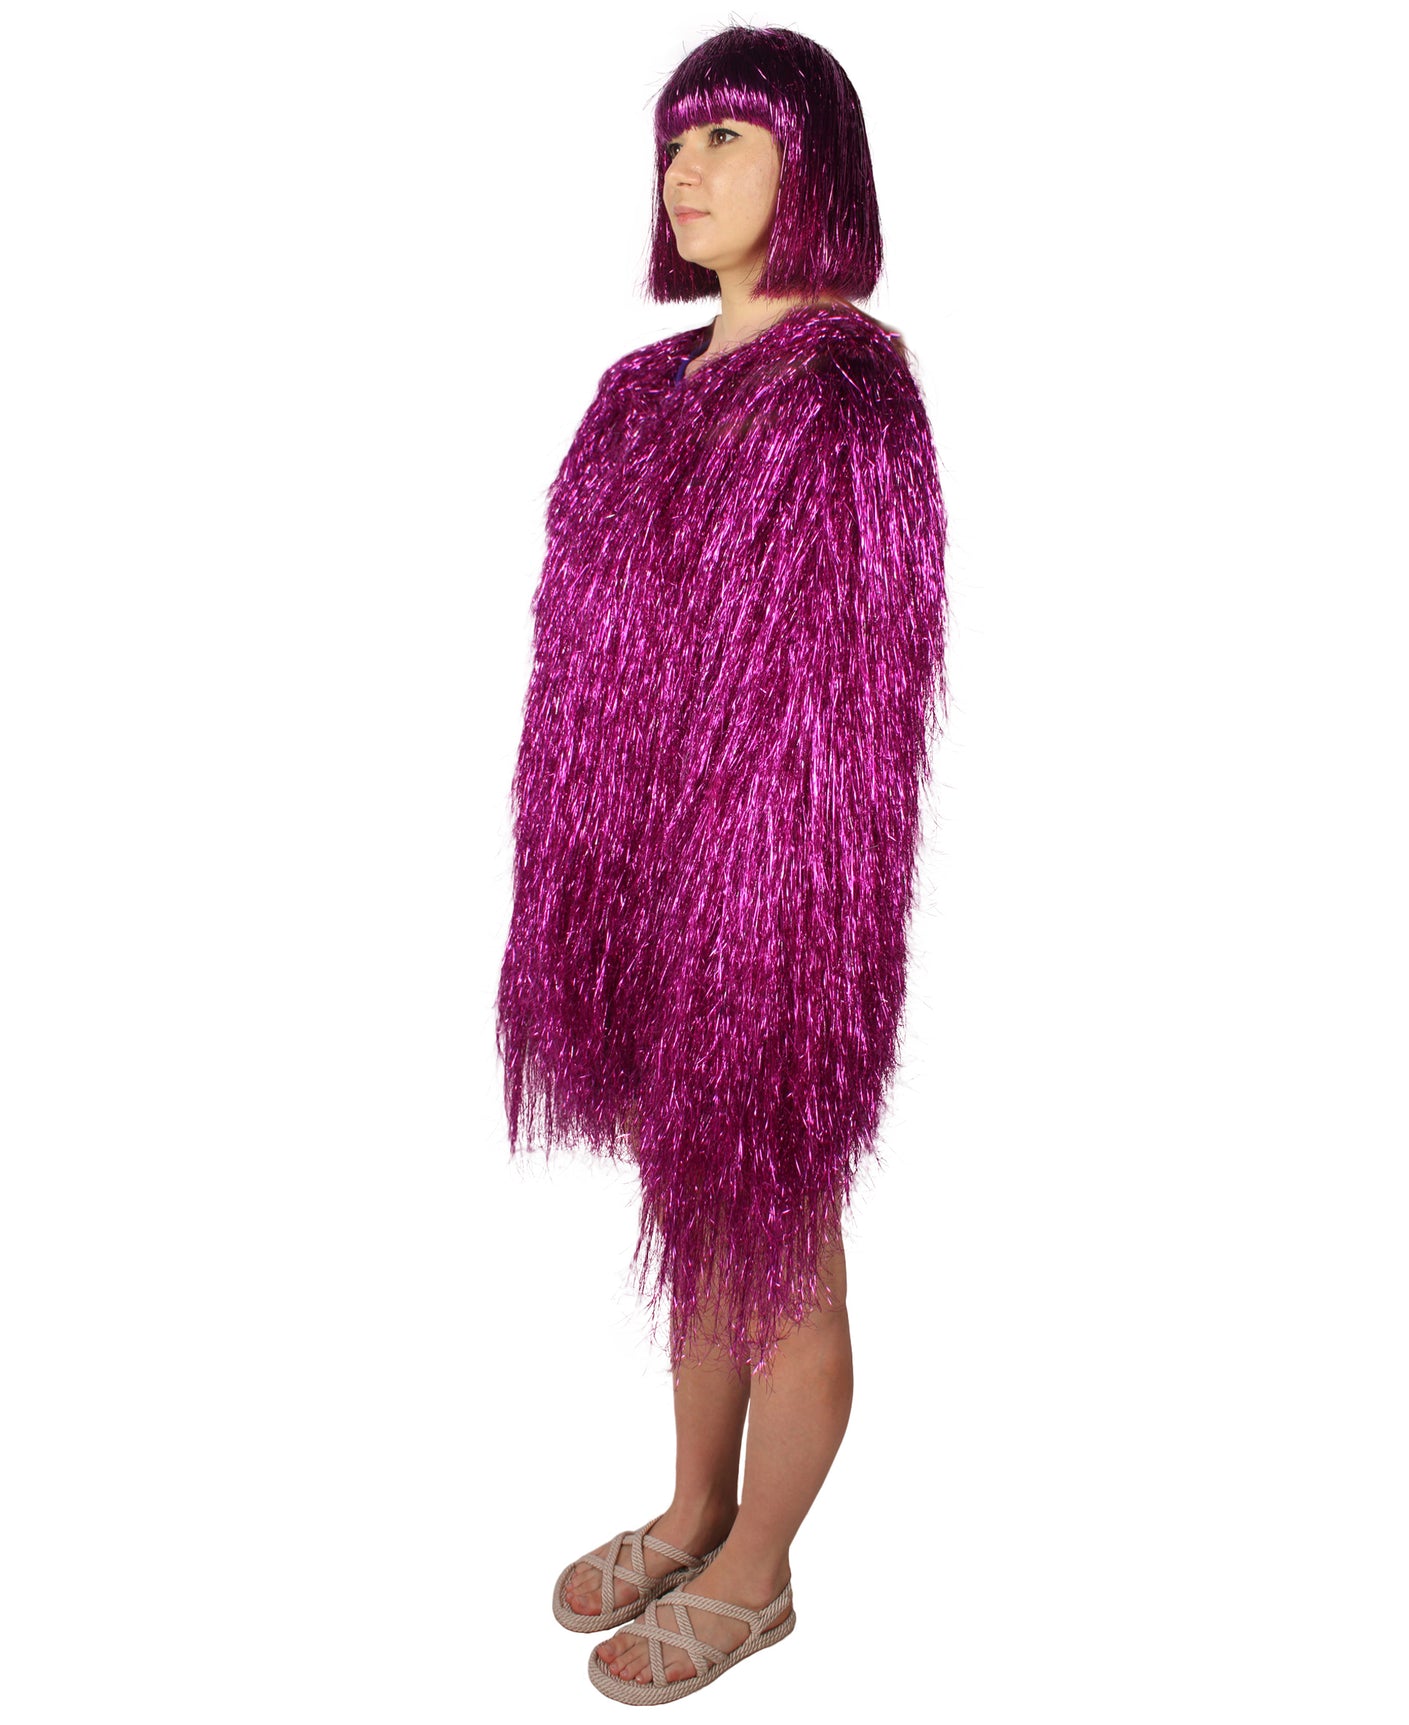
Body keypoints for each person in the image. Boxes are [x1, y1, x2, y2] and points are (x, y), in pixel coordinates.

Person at [494, 25, 949, 1701]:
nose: (682, 173)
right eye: (674, 142)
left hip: (771, 902)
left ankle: (759, 1573)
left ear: (808, 163)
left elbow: (844, 699)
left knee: (777, 1234)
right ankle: (694, 1507)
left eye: (726, 141)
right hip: (635, 882)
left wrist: (759, 916)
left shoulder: (843, 393)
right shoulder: (644, 390)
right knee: (695, 1217)